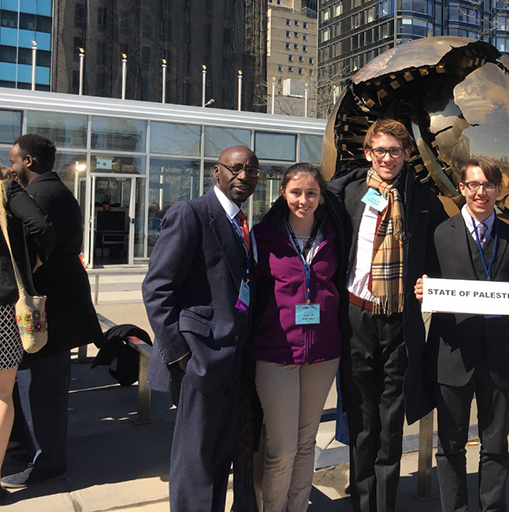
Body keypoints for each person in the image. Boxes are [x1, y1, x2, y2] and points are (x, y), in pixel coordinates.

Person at [327, 118, 447, 512]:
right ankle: (361, 500)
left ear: (408, 155)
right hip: (357, 317)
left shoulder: (423, 199)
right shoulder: (347, 194)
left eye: (395, 151)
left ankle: (384, 503)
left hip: (400, 320)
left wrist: (429, 281)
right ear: (368, 153)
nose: (387, 158)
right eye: (380, 150)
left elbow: (439, 253)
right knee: (362, 418)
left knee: (391, 420)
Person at [142, 145, 259, 511]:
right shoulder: (191, 213)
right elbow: (157, 289)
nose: (243, 176)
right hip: (200, 360)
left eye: (251, 171)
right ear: (216, 172)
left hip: (234, 359)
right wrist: (182, 356)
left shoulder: (242, 224)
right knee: (194, 463)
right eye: (235, 168)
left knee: (219, 457)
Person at [414, 157, 509, 512]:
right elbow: (423, 280)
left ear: (499, 190)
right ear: (461, 189)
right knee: (450, 445)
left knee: (496, 444)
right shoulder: (438, 234)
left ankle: (492, 508)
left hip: (498, 356)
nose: (481, 192)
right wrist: (422, 288)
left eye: (488, 185)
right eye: (473, 185)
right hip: (452, 356)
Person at [246, 163, 351, 512]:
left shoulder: (335, 236)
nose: (303, 200)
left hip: (322, 353)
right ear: (283, 193)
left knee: (307, 443)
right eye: (296, 192)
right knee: (282, 448)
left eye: (311, 193)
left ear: (321, 196)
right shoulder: (263, 236)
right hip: (276, 353)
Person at [4, 134, 101, 488]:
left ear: (28, 161)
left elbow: (39, 238)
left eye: (13, 160)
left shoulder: (38, 196)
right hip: (60, 304)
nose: (10, 167)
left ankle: (47, 463)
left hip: (49, 309)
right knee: (43, 385)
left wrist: (31, 269)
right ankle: (35, 453)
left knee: (41, 389)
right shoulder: (57, 190)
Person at [0, 170, 53, 500]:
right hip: (3, 305)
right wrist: (34, 260)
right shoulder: (6, 189)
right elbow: (43, 226)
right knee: (3, 394)